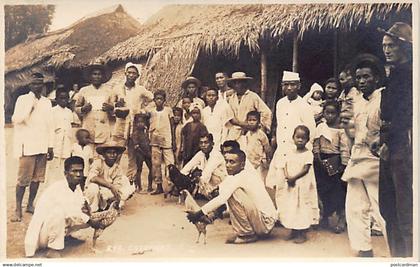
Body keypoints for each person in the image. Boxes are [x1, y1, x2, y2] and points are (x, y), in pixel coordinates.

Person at [341, 54, 387, 257]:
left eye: (366, 77)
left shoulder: (384, 98)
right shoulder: (357, 101)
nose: (361, 81)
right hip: (357, 158)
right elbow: (353, 132)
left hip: (377, 160)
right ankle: (364, 249)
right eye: (358, 77)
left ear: (376, 77)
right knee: (355, 207)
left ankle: (401, 252)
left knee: (381, 209)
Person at [187, 149, 277, 244]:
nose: (227, 165)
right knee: (229, 193)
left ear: (242, 165)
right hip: (265, 222)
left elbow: (221, 199)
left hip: (265, 223)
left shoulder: (241, 176)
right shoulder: (238, 175)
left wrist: (198, 214)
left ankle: (247, 234)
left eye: (232, 162)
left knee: (233, 193)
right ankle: (245, 230)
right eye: (226, 161)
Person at [378, 22, 413, 257]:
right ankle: (396, 257)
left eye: (391, 46)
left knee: (404, 210)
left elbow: (405, 113)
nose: (387, 50)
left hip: (401, 147)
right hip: (389, 145)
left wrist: (388, 141)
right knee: (387, 207)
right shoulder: (393, 75)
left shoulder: (410, 74)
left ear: (403, 48)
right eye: (384, 46)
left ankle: (409, 257)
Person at [24, 156, 91, 258]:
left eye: (81, 171)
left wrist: (87, 208)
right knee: (59, 212)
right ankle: (53, 249)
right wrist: (91, 221)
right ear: (65, 173)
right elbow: (69, 211)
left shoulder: (76, 188)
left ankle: (65, 237)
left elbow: (80, 207)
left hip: (52, 229)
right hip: (41, 236)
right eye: (74, 171)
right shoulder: (58, 187)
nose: (78, 175)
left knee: (84, 214)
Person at [11, 72, 54, 222]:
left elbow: (50, 126)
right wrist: (30, 107)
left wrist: (50, 146)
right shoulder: (22, 99)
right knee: (23, 180)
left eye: (40, 84)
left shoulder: (47, 102)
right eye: (35, 84)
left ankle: (30, 204)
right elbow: (16, 119)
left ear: (43, 85)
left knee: (37, 179)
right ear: (30, 85)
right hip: (28, 146)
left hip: (42, 146)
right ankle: (18, 208)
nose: (37, 86)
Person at [271, 126, 319, 243]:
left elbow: (305, 169)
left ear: (308, 140)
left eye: (303, 138)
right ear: (293, 138)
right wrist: (288, 177)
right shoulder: (289, 152)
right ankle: (293, 230)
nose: (300, 140)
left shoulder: (308, 154)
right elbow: (285, 165)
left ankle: (302, 233)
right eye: (298, 137)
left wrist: (294, 178)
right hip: (291, 185)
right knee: (291, 206)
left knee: (301, 207)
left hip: (301, 185)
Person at [268, 71, 315, 182]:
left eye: (292, 84)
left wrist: (304, 152)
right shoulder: (280, 103)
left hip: (298, 152)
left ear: (298, 86)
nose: (289, 88)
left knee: (297, 185)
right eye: (286, 84)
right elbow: (280, 126)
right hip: (282, 150)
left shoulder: (304, 105)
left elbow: (311, 131)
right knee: (280, 185)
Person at [113, 62, 154, 185]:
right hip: (120, 125)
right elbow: (109, 104)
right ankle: (114, 177)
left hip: (135, 127)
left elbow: (152, 99)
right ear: (125, 73)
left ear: (137, 76)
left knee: (133, 155)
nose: (131, 75)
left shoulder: (140, 89)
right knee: (116, 153)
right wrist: (116, 106)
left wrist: (144, 110)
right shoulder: (117, 88)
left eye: (134, 73)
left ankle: (130, 180)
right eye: (129, 72)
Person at [313, 100, 350, 234]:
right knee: (323, 191)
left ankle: (341, 218)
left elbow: (345, 149)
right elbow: (316, 143)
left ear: (338, 114)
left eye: (332, 113)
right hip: (321, 161)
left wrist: (343, 165)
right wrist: (317, 157)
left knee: (337, 192)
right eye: (327, 113)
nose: (329, 116)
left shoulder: (340, 131)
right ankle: (325, 217)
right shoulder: (320, 127)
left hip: (335, 161)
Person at [75, 59, 116, 157]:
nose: (97, 76)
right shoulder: (84, 91)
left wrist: (110, 108)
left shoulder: (109, 91)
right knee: (88, 157)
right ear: (90, 76)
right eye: (94, 74)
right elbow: (76, 107)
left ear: (103, 76)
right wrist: (83, 109)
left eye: (99, 74)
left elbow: (115, 111)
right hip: (88, 130)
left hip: (103, 131)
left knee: (102, 158)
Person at [84, 142, 134, 211]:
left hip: (107, 191)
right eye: (109, 153)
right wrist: (110, 186)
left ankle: (109, 205)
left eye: (114, 153)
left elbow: (117, 185)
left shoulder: (117, 168)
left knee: (125, 181)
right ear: (104, 155)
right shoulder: (98, 163)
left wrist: (116, 193)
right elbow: (93, 178)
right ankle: (93, 210)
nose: (112, 155)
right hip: (97, 190)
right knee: (93, 187)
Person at [226, 72, 272, 141]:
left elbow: (266, 112)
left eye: (241, 82)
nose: (238, 85)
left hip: (250, 132)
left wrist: (259, 126)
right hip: (234, 133)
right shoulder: (231, 98)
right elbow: (229, 116)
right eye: (235, 83)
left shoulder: (253, 96)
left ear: (245, 83)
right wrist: (239, 124)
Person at [181, 133, 227, 198]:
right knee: (196, 171)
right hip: (209, 183)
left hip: (222, 184)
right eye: (201, 143)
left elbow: (207, 173)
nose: (203, 145)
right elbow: (187, 167)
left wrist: (195, 181)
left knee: (207, 172)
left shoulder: (216, 155)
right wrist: (180, 179)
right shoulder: (201, 153)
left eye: (206, 142)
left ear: (212, 144)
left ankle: (213, 193)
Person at [149, 90, 176, 195]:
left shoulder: (168, 111)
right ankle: (159, 186)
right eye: (157, 99)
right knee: (156, 164)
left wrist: (173, 140)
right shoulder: (151, 112)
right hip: (155, 141)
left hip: (167, 140)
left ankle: (172, 186)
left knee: (170, 164)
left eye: (161, 99)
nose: (159, 101)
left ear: (164, 100)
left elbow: (172, 126)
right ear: (154, 100)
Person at [48, 86, 74, 183]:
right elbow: (50, 129)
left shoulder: (69, 112)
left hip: (66, 142)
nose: (64, 100)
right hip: (55, 142)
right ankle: (52, 186)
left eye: (66, 98)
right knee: (53, 167)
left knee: (65, 165)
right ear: (56, 99)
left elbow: (70, 128)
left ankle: (62, 185)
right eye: (61, 98)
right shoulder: (52, 111)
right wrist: (50, 146)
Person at [238, 111, 271, 178]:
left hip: (258, 163)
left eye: (254, 120)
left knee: (258, 179)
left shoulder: (261, 134)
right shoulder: (247, 134)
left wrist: (267, 160)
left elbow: (267, 149)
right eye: (249, 120)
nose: (251, 122)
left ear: (258, 122)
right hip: (249, 162)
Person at [131, 113, 153, 193]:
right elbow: (136, 146)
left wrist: (149, 152)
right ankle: (139, 187)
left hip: (148, 153)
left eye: (142, 122)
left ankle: (150, 186)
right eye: (138, 122)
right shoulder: (135, 133)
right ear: (136, 123)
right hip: (140, 153)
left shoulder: (147, 132)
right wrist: (145, 153)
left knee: (151, 169)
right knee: (139, 170)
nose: (140, 124)